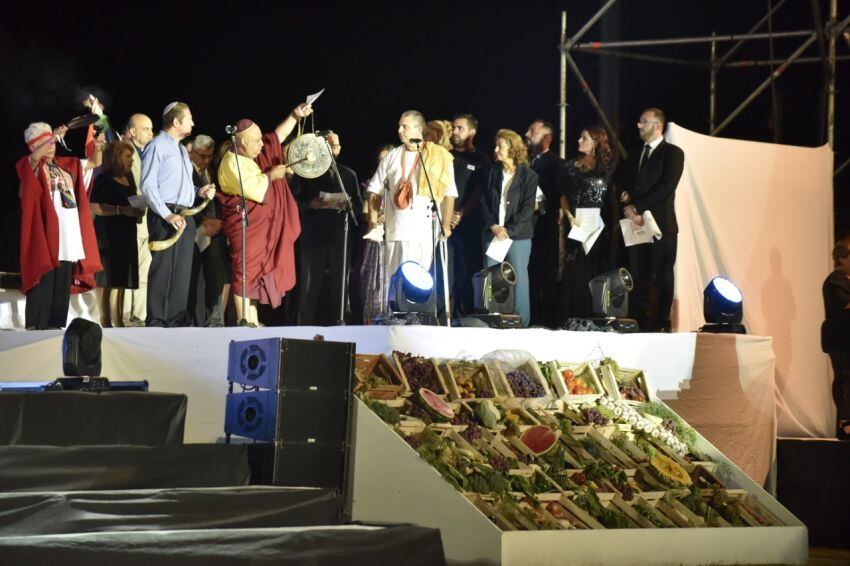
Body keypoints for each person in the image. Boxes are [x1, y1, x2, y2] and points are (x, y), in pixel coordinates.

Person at [216, 103, 311, 326]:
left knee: (255, 272)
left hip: (259, 229)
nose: (261, 144)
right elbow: (255, 189)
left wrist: (294, 116)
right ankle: (242, 318)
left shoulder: (250, 157)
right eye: (256, 141)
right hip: (244, 226)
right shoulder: (232, 162)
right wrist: (272, 175)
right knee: (244, 270)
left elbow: (275, 138)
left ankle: (253, 318)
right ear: (241, 142)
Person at [367, 110, 457, 312]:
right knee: (393, 279)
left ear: (418, 129)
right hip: (395, 231)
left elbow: (449, 193)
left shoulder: (438, 156)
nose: (399, 130)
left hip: (423, 232)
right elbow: (374, 191)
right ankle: (392, 318)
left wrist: (445, 225)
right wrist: (373, 222)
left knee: (418, 279)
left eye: (404, 126)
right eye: (399, 126)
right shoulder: (392, 156)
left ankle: (415, 317)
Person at [16, 122, 102, 329]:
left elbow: (94, 162)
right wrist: (51, 137)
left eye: (52, 142)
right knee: (43, 283)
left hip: (68, 236)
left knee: (60, 287)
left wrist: (98, 146)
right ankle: (35, 328)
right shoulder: (31, 166)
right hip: (47, 237)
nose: (51, 145)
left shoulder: (67, 164)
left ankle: (55, 328)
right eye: (44, 142)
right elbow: (34, 159)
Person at [140, 102, 216, 327]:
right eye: (189, 118)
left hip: (184, 216)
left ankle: (175, 320)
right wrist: (166, 215)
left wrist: (199, 191)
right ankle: (157, 320)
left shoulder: (182, 149)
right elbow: (148, 185)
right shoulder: (156, 147)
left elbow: (182, 188)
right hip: (166, 216)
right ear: (176, 122)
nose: (193, 122)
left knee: (182, 272)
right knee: (163, 269)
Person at [615, 107, 685, 332]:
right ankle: (640, 321)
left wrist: (637, 206)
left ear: (657, 126)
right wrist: (625, 199)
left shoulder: (672, 153)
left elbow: (667, 186)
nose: (638, 125)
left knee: (661, 274)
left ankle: (661, 322)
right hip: (634, 225)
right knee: (639, 274)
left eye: (643, 122)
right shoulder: (634, 154)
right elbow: (623, 182)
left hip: (660, 225)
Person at [292, 132, 360, 325]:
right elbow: (294, 203)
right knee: (309, 287)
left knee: (340, 285)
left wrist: (348, 204)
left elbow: (359, 207)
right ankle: (303, 326)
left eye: (335, 145)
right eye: (327, 145)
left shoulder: (347, 174)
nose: (332, 149)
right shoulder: (306, 173)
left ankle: (341, 322)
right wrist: (312, 203)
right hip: (313, 237)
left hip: (340, 237)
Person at [479, 129, 538, 327]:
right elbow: (483, 202)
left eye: (500, 146)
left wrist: (508, 231)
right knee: (490, 276)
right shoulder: (491, 172)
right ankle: (491, 318)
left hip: (517, 236)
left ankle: (521, 322)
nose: (496, 150)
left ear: (512, 150)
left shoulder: (529, 176)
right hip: (493, 234)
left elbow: (527, 208)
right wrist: (493, 226)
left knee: (519, 278)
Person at [559, 126, 618, 320]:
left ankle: (597, 315)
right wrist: (569, 217)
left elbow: (612, 200)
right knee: (576, 269)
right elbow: (563, 196)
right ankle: (574, 316)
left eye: (584, 138)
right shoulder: (570, 166)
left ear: (596, 142)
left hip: (600, 228)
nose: (579, 141)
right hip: (577, 224)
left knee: (596, 267)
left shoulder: (608, 168)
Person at [90, 141, 144, 327]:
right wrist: (121, 210)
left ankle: (119, 318)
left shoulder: (129, 177)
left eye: (132, 156)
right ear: (115, 158)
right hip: (108, 234)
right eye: (127, 156)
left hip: (127, 232)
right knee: (107, 278)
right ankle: (105, 319)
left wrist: (138, 210)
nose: (131, 160)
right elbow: (95, 206)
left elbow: (133, 199)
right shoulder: (102, 179)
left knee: (122, 276)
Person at [449, 113, 491, 317]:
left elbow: (479, 192)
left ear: (472, 132)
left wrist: (461, 213)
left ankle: (468, 315)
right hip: (446, 225)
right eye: (453, 128)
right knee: (449, 273)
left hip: (469, 226)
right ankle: (449, 314)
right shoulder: (446, 155)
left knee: (468, 271)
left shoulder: (481, 159)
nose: (455, 132)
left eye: (460, 128)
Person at [525, 119, 565, 327]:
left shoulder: (556, 163)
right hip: (525, 227)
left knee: (546, 273)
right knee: (528, 273)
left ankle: (549, 319)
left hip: (545, 226)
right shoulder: (526, 161)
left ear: (547, 137)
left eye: (533, 131)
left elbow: (558, 196)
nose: (527, 133)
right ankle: (531, 316)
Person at [187, 134, 229, 326]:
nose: (206, 160)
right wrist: (203, 221)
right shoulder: (185, 171)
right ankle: (187, 319)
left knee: (216, 277)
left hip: (216, 232)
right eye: (202, 156)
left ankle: (215, 320)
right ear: (192, 152)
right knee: (190, 278)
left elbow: (222, 200)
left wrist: (218, 222)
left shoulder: (214, 170)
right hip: (194, 229)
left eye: (210, 156)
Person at [121, 113, 154, 326]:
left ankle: (139, 317)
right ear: (132, 131)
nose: (152, 133)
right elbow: (123, 188)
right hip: (129, 219)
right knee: (129, 270)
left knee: (144, 268)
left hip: (145, 221)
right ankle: (123, 316)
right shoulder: (123, 152)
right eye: (146, 129)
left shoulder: (145, 154)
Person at [822, 236, 850, 440]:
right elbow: (843, 308)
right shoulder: (834, 281)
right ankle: (846, 421)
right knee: (844, 378)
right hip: (840, 339)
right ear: (842, 258)